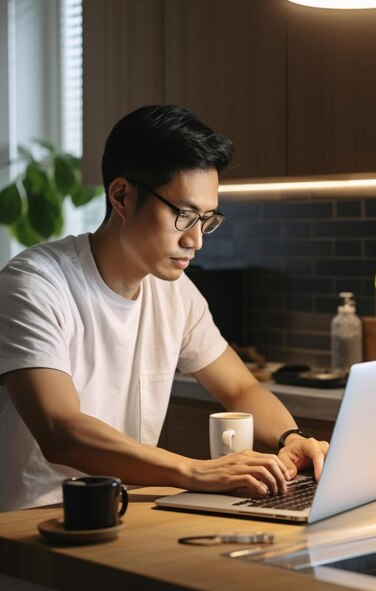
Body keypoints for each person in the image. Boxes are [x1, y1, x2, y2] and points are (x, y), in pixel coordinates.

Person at [0, 105, 328, 511]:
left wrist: (290, 438)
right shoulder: (36, 282)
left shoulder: (175, 292)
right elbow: (59, 430)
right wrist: (195, 472)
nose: (196, 240)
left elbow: (241, 388)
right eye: (184, 215)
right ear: (122, 196)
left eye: (206, 220)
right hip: (30, 531)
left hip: (123, 516)